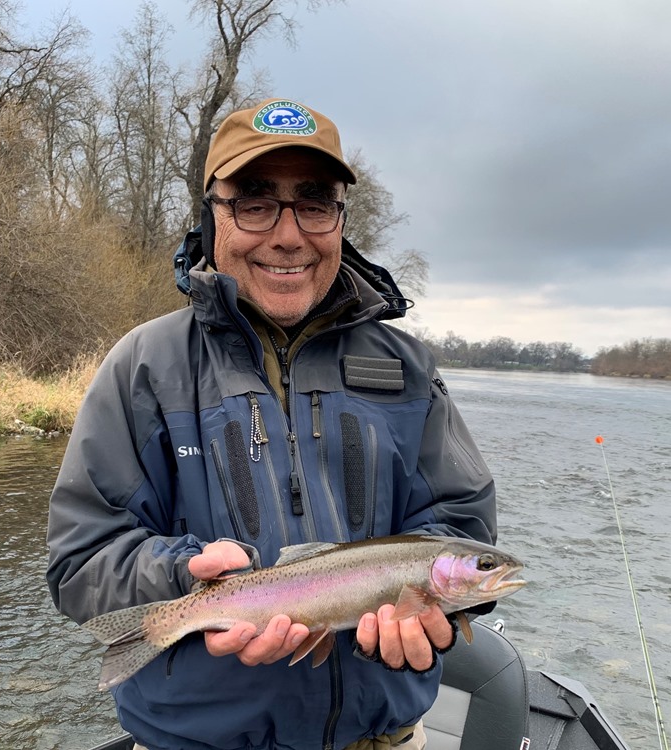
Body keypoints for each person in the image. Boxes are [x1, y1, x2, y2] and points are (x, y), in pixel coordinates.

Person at [46, 97, 497, 750]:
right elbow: (79, 563)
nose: (288, 234)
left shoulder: (410, 371)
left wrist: (447, 612)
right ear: (213, 217)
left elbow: (461, 526)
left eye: (313, 202)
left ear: (339, 220)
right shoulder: (142, 368)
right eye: (255, 201)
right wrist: (186, 579)